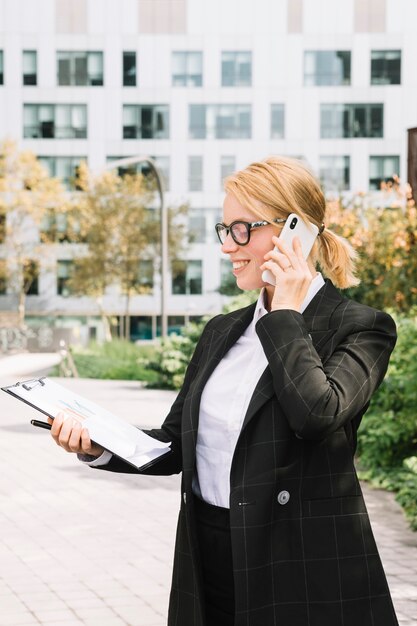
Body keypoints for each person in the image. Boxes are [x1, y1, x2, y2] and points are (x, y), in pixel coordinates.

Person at [48, 156, 399, 626]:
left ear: (297, 231)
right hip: (208, 555)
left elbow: (316, 414)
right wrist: (98, 443)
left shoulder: (360, 327)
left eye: (243, 229)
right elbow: (176, 443)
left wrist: (284, 316)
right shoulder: (222, 331)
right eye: (225, 229)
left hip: (299, 565)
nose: (229, 246)